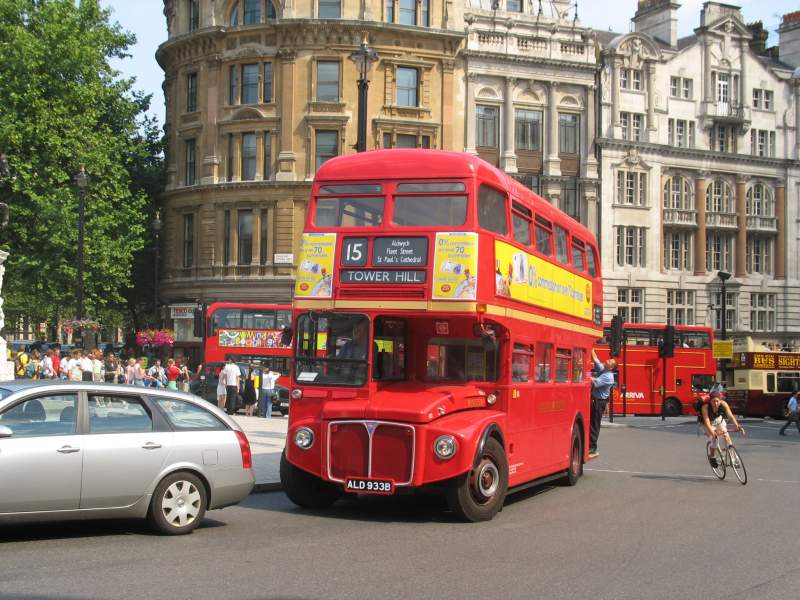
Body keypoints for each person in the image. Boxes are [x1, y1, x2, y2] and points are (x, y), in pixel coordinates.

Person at [701, 387, 745, 467]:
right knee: (714, 439)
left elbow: (730, 416)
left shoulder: (723, 404)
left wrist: (738, 426)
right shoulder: (705, 407)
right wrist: (713, 433)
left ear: (720, 400)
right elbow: (707, 422)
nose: (715, 403)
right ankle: (712, 456)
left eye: (717, 401)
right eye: (713, 401)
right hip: (707, 424)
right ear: (710, 401)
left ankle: (733, 460)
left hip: (719, 420)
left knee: (727, 437)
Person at [589, 348, 617, 459]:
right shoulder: (604, 370)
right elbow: (595, 359)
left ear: (612, 367)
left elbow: (595, 383)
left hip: (599, 402)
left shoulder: (608, 376)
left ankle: (592, 447)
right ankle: (590, 445)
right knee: (591, 422)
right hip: (596, 400)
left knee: (594, 424)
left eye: (610, 361)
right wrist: (591, 347)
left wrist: (584, 375)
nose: (608, 360)